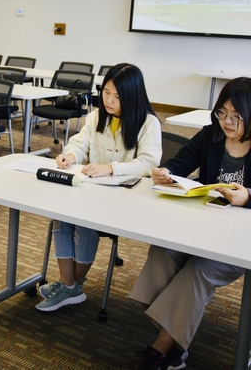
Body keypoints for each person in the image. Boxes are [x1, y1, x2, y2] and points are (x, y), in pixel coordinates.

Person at [132, 77, 251, 370]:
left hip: (245, 239)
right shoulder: (211, 134)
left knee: (199, 270)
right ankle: (176, 336)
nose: (226, 122)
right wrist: (165, 173)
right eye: (222, 112)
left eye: (236, 116)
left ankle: (161, 348)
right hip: (200, 228)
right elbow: (180, 164)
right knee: (161, 252)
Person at [35, 63, 162, 312]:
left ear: (132, 96)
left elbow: (149, 164)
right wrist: (70, 156)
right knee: (61, 214)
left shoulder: (148, 123)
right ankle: (69, 285)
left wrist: (111, 168)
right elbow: (79, 143)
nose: (109, 101)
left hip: (126, 200)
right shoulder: (96, 117)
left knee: (85, 220)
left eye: (117, 96)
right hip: (92, 192)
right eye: (106, 93)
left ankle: (69, 286)